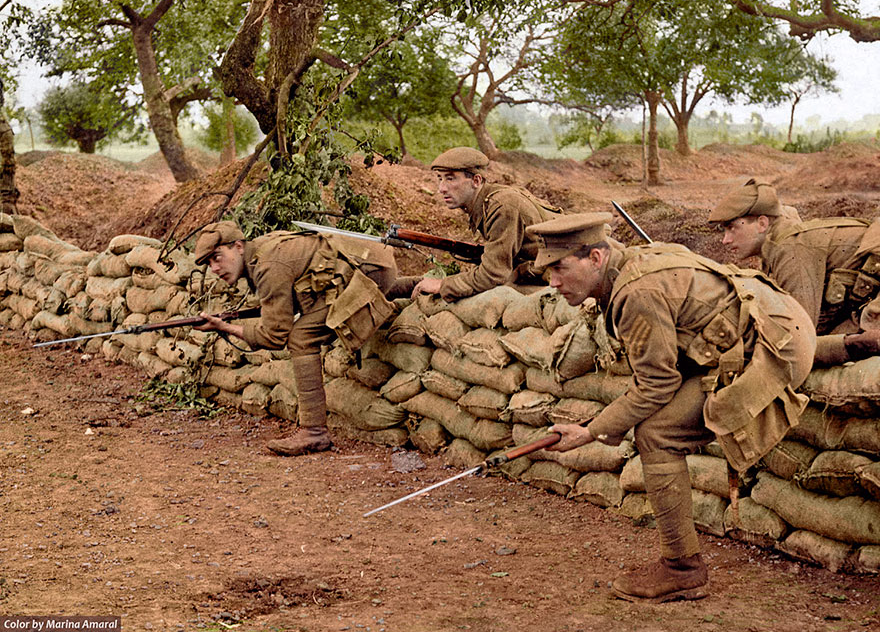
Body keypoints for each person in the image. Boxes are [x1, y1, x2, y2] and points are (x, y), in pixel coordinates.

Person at [526, 213, 816, 603]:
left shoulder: (636, 293)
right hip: (774, 321)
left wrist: (591, 430)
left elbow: (656, 385)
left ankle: (683, 569)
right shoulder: (634, 264)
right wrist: (604, 422)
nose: (553, 283)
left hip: (775, 344)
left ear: (596, 258)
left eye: (559, 268)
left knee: (657, 433)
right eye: (548, 271)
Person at [193, 220, 398, 456]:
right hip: (370, 263)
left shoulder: (268, 265)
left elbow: (274, 336)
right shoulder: (258, 254)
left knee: (302, 337)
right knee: (320, 314)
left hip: (369, 269)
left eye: (217, 257)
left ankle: (314, 433)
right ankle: (415, 285)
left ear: (238, 246)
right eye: (208, 263)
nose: (214, 269)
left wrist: (225, 327)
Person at [709, 178, 880, 365]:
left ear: (762, 224)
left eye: (732, 228)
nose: (725, 240)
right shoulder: (775, 246)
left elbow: (800, 334)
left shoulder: (790, 247)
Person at [410, 146, 562, 301]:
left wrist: (443, 285)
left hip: (562, 271)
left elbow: (493, 275)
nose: (441, 188)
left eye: (450, 178)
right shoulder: (488, 201)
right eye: (440, 178)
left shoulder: (502, 206)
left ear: (476, 181)